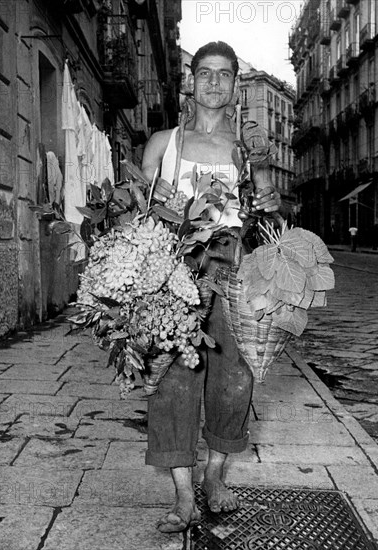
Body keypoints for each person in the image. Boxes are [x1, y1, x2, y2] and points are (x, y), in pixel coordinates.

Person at [140, 41, 281, 533]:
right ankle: (183, 494)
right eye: (205, 73)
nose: (214, 83)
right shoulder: (163, 144)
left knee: (233, 379)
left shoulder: (246, 150)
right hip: (177, 272)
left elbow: (269, 213)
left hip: (234, 273)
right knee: (172, 382)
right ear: (191, 80)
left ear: (235, 83)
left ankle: (216, 476)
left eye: (224, 74)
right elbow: (140, 218)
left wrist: (265, 186)